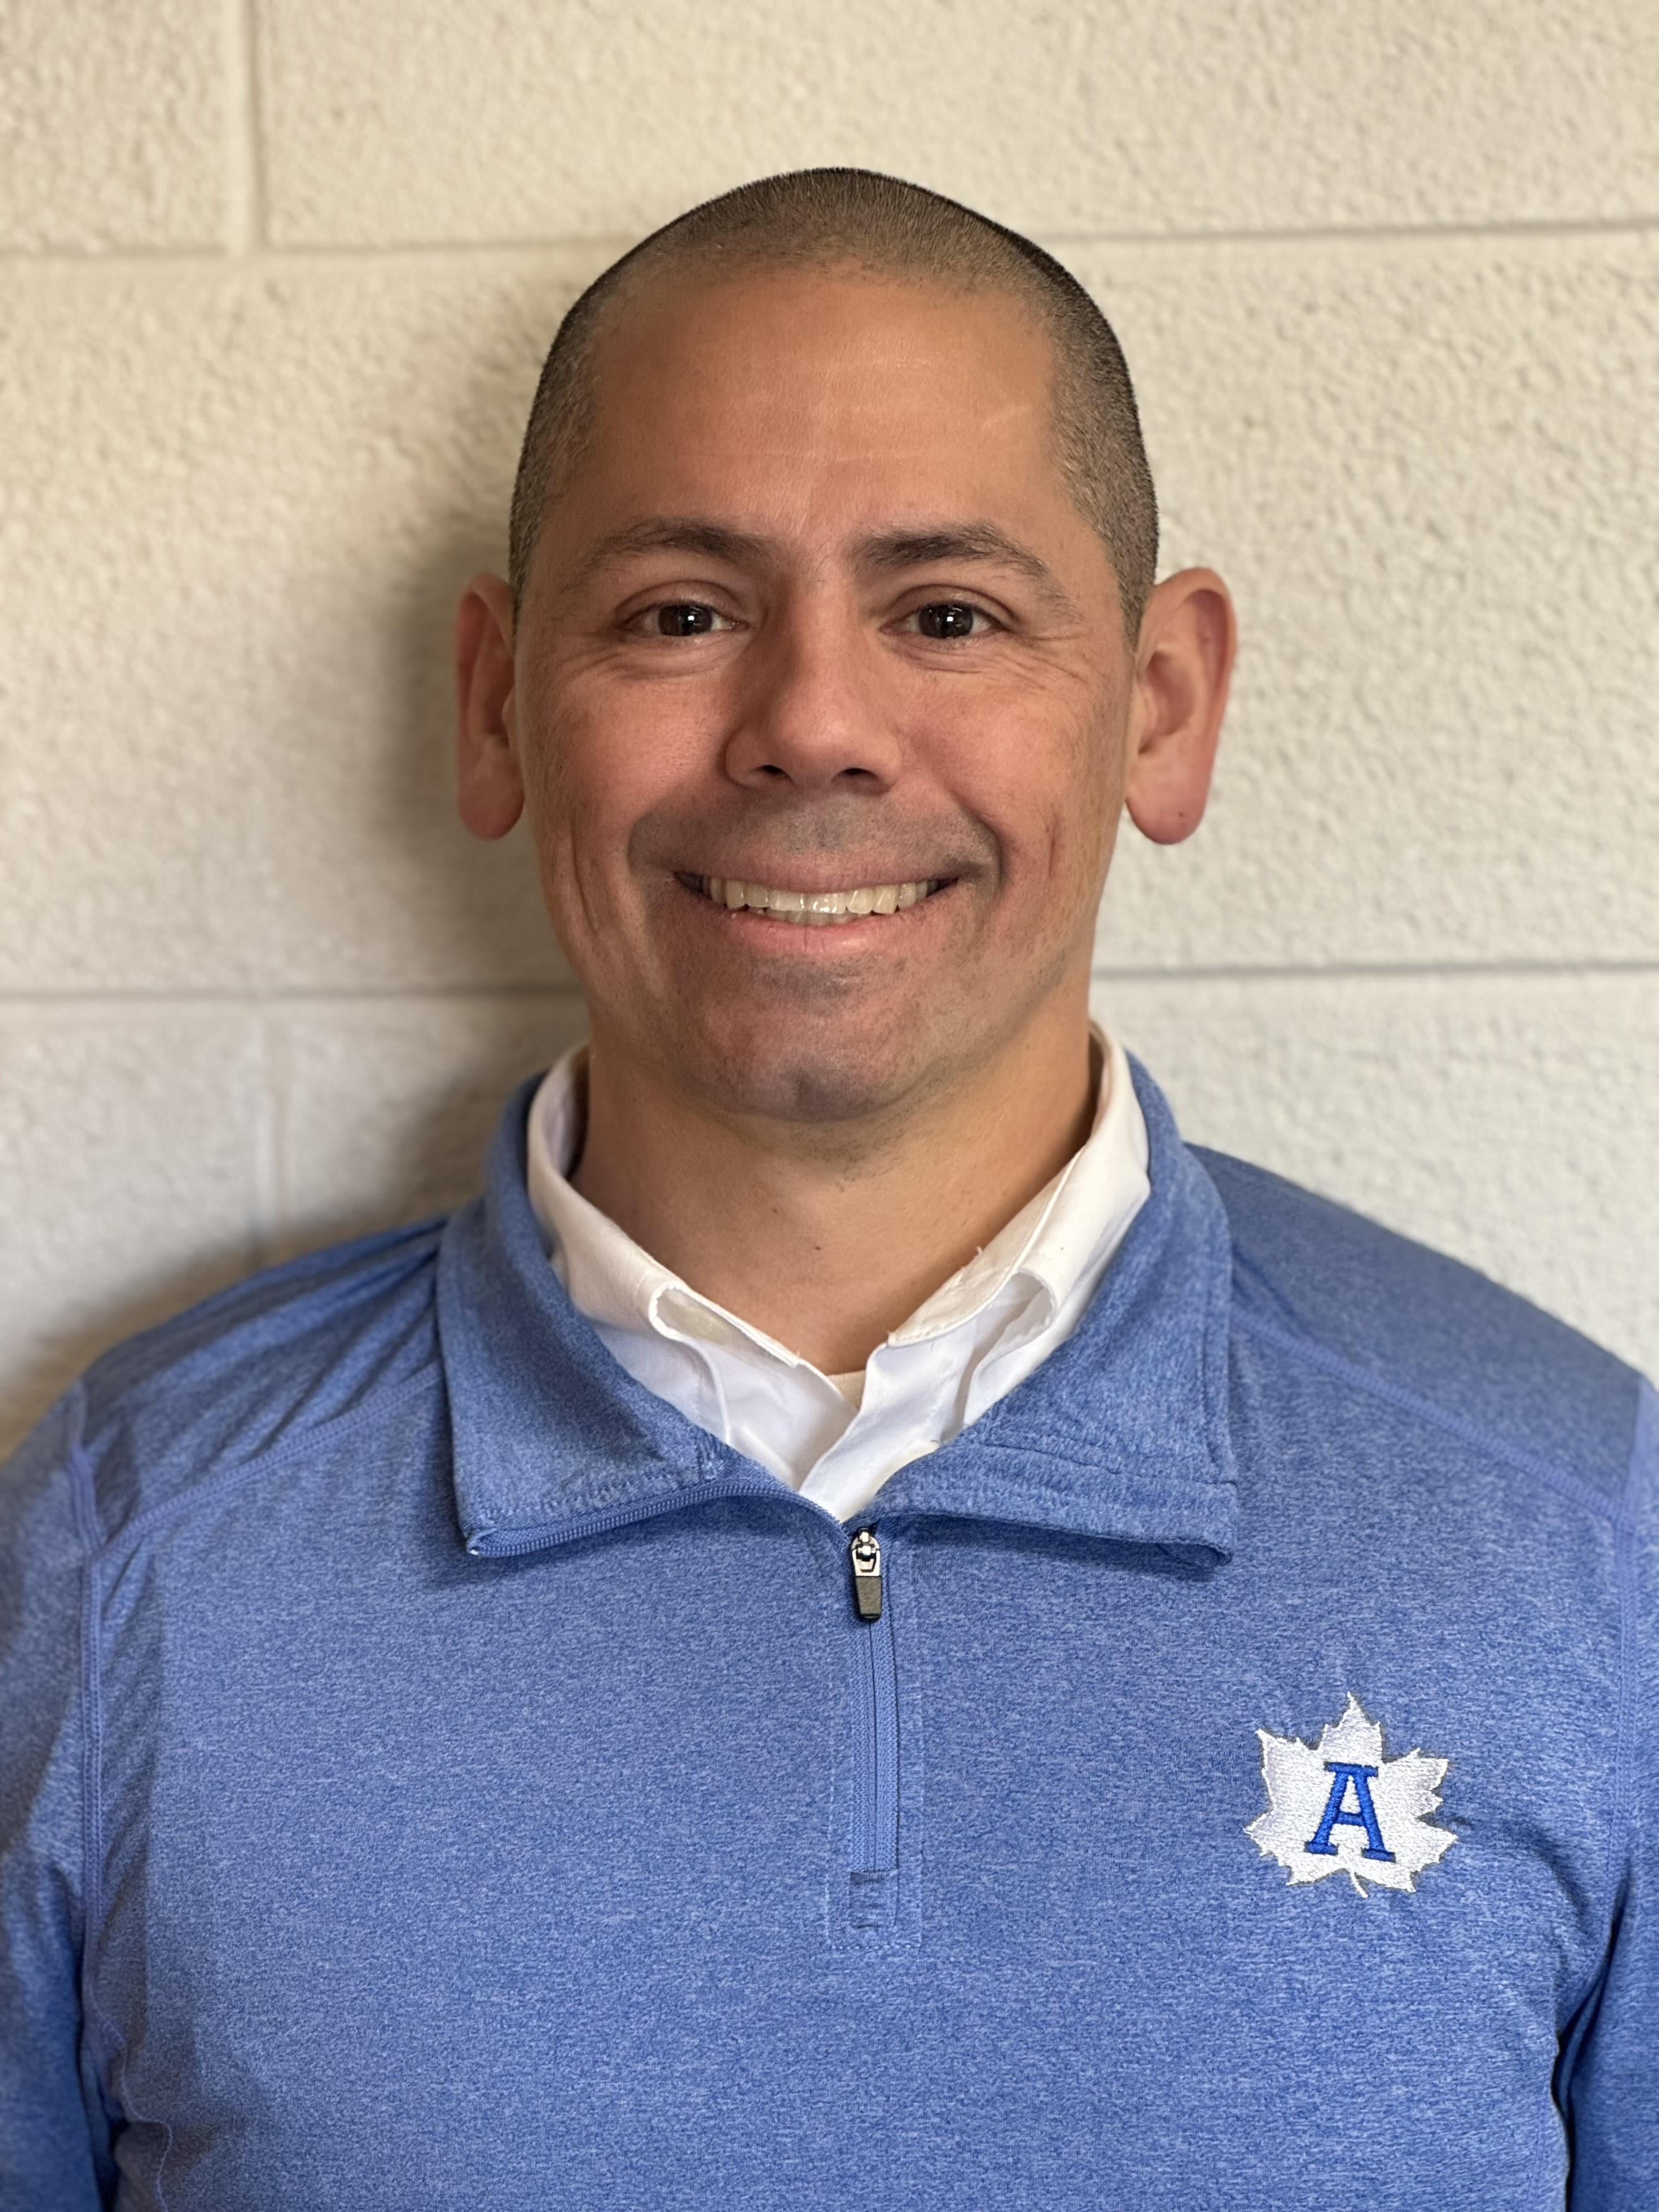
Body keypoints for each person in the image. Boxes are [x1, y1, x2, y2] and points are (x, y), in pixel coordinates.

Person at [1, 167, 1652, 2211]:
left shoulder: (1586, 1538)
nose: (813, 727)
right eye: (683, 613)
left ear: (1161, 704)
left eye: (947, 613)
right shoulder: (126, 1542)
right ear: (495, 702)